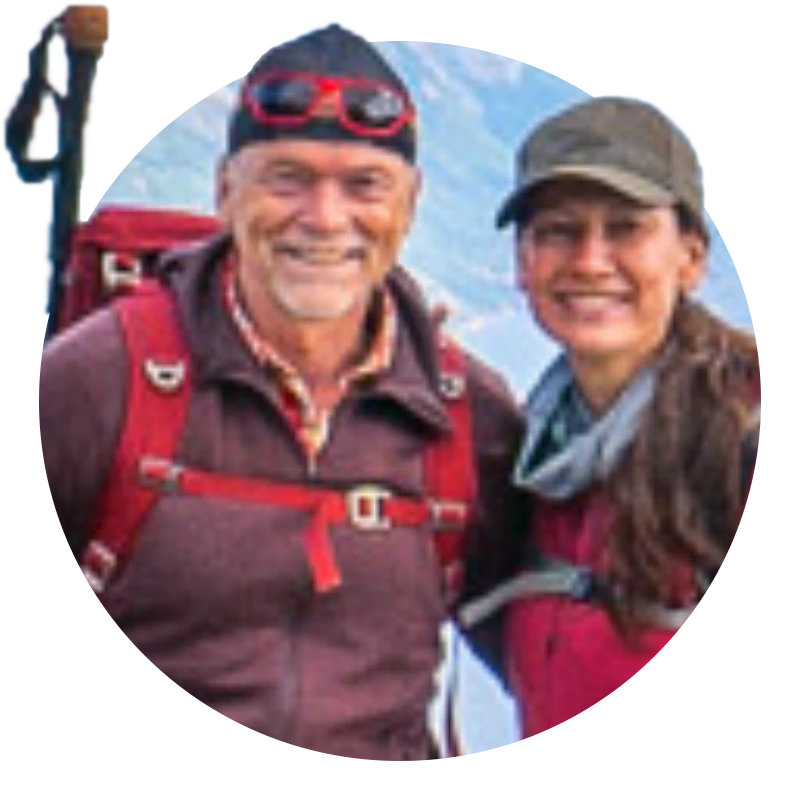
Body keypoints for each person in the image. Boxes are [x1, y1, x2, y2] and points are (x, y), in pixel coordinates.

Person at [36, 20, 527, 762]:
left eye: (364, 185)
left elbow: (558, 653)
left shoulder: (465, 416)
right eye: (287, 178)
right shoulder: (102, 379)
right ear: (226, 191)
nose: (325, 218)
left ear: (409, 204)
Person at [461, 95, 800, 743]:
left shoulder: (763, 435)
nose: (590, 260)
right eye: (558, 230)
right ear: (523, 262)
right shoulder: (524, 468)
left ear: (690, 258)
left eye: (625, 228)